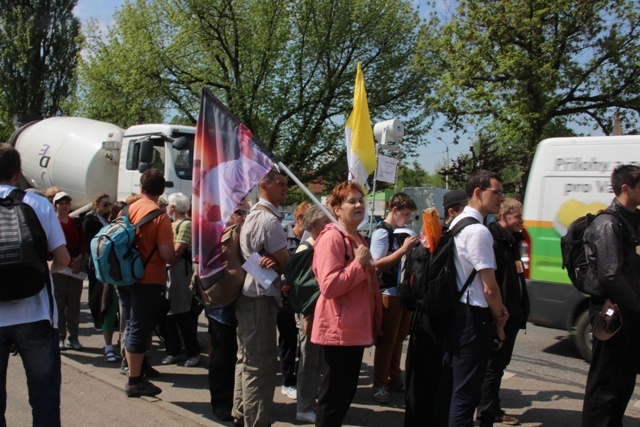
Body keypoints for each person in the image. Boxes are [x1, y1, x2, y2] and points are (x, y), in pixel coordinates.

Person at [0, 145, 70, 426]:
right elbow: (63, 259)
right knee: (44, 400)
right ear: (18, 174)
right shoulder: (37, 203)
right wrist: (45, 272)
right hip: (35, 314)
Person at [433, 170, 508, 427]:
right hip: (472, 320)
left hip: (453, 313)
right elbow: (490, 288)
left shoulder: (455, 223)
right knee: (465, 395)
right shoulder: (478, 232)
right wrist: (500, 317)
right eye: (496, 192)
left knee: (449, 387)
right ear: (478, 192)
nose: (501, 198)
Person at [312, 181, 382, 426]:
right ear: (336, 209)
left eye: (361, 200)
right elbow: (329, 287)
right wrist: (358, 264)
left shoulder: (357, 237)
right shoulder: (332, 238)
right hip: (339, 330)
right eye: (351, 201)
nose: (359, 204)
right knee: (333, 398)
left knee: (344, 396)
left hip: (356, 329)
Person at [581, 164, 640, 427]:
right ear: (626, 188)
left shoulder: (630, 218)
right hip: (613, 311)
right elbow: (611, 274)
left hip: (627, 310)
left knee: (622, 380)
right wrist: (638, 305)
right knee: (605, 383)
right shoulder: (608, 224)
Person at [232, 168, 290, 427]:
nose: (284, 188)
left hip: (249, 294)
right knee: (260, 364)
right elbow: (288, 264)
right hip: (260, 295)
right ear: (263, 186)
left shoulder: (254, 215)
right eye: (279, 183)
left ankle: (241, 412)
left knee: (246, 358)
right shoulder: (268, 221)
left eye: (286, 184)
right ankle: (255, 421)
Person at [404, 191, 467, 426]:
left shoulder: (438, 235)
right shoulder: (442, 238)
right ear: (453, 211)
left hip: (427, 318)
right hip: (433, 320)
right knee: (428, 381)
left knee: (424, 382)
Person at [118, 169, 176, 397]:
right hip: (148, 278)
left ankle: (134, 369)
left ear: (141, 187)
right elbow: (167, 253)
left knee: (131, 324)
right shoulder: (159, 216)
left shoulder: (126, 209)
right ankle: (134, 380)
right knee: (139, 329)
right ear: (161, 190)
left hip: (123, 276)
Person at [476, 198, 529, 426]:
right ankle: (487, 413)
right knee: (492, 365)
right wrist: (498, 315)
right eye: (517, 216)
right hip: (500, 316)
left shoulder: (511, 241)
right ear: (504, 216)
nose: (521, 221)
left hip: (512, 316)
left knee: (499, 365)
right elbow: (491, 284)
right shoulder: (493, 241)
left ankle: (492, 407)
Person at [370, 192, 419, 403]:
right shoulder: (383, 233)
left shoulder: (396, 232)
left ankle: (393, 377)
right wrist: (403, 251)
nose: (407, 219)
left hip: (401, 293)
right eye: (405, 214)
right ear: (394, 210)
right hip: (388, 293)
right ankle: (380, 383)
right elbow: (375, 265)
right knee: (387, 341)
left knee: (398, 339)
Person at [207, 202, 250, 423]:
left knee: (235, 353)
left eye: (246, 212)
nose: (245, 216)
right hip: (221, 302)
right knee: (222, 354)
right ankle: (220, 402)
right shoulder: (218, 234)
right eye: (240, 212)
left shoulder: (241, 233)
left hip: (240, 301)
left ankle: (235, 401)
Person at [294, 205, 332, 423]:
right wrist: (308, 316)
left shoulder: (318, 244)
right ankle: (304, 406)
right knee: (308, 361)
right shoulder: (307, 249)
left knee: (317, 361)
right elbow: (303, 288)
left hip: (319, 313)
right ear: (315, 225)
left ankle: (311, 400)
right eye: (326, 221)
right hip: (310, 314)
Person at [161, 192, 201, 368]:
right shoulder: (173, 223)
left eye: (169, 204)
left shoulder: (185, 225)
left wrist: (163, 259)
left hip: (180, 274)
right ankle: (174, 350)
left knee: (183, 313)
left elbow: (177, 252)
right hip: (171, 272)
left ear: (174, 207)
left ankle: (192, 352)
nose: (167, 207)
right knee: (168, 314)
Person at [279, 201, 311, 400]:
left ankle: (303, 379)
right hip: (285, 296)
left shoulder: (313, 240)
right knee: (288, 338)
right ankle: (287, 380)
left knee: (305, 341)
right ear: (298, 219)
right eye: (309, 221)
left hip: (305, 297)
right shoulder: (283, 237)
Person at [83, 192, 121, 362]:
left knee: (114, 306)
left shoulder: (108, 221)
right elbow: (89, 242)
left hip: (115, 271)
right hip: (99, 265)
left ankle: (116, 336)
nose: (107, 207)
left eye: (109, 205)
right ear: (96, 203)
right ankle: (98, 320)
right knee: (98, 295)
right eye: (104, 204)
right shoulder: (90, 221)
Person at [52, 191, 86, 351]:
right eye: (61, 203)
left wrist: (78, 259)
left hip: (75, 269)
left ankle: (74, 337)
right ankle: (60, 336)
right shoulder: (52, 223)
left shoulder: (76, 222)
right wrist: (63, 261)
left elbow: (83, 243)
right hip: (59, 269)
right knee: (59, 304)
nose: (65, 206)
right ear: (55, 205)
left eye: (67, 203)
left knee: (74, 305)